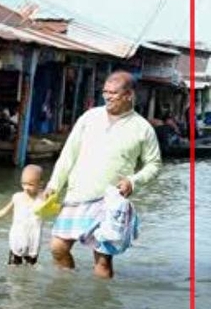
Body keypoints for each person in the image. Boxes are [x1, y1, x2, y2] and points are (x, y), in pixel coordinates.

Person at [44, 71, 161, 279]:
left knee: (103, 261)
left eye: (114, 93)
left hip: (110, 201)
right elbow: (68, 155)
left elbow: (154, 164)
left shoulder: (143, 128)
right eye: (105, 92)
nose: (107, 97)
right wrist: (54, 185)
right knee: (57, 247)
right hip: (76, 194)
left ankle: (100, 305)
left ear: (129, 95)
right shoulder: (89, 117)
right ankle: (65, 289)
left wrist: (133, 181)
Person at [0, 164, 45, 266]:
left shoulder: (43, 199)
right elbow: (4, 211)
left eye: (31, 184)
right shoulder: (17, 197)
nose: (26, 187)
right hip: (18, 239)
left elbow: (54, 208)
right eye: (24, 184)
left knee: (31, 267)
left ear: (40, 184)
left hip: (33, 241)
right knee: (13, 266)